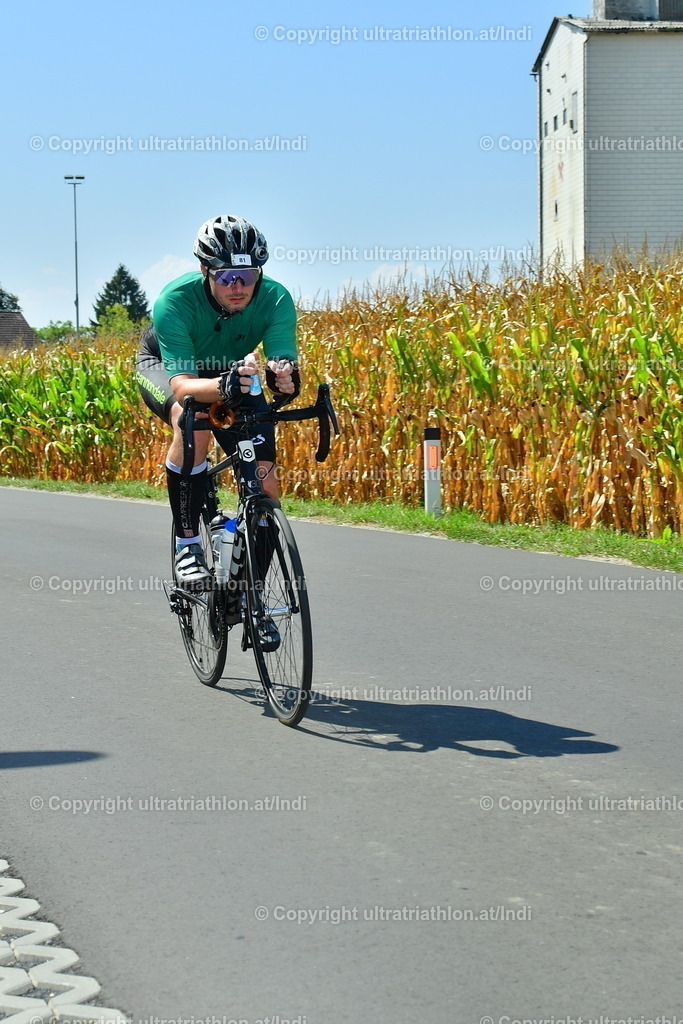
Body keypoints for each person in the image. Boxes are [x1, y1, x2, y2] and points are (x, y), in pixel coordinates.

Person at [136, 214, 301, 587]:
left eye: (248, 275)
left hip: (230, 370)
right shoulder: (174, 301)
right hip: (167, 366)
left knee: (266, 485)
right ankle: (187, 544)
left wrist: (284, 378)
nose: (238, 286)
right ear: (205, 271)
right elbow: (184, 388)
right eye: (226, 277)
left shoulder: (276, 298)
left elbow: (282, 360)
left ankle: (247, 593)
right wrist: (224, 387)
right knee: (192, 421)